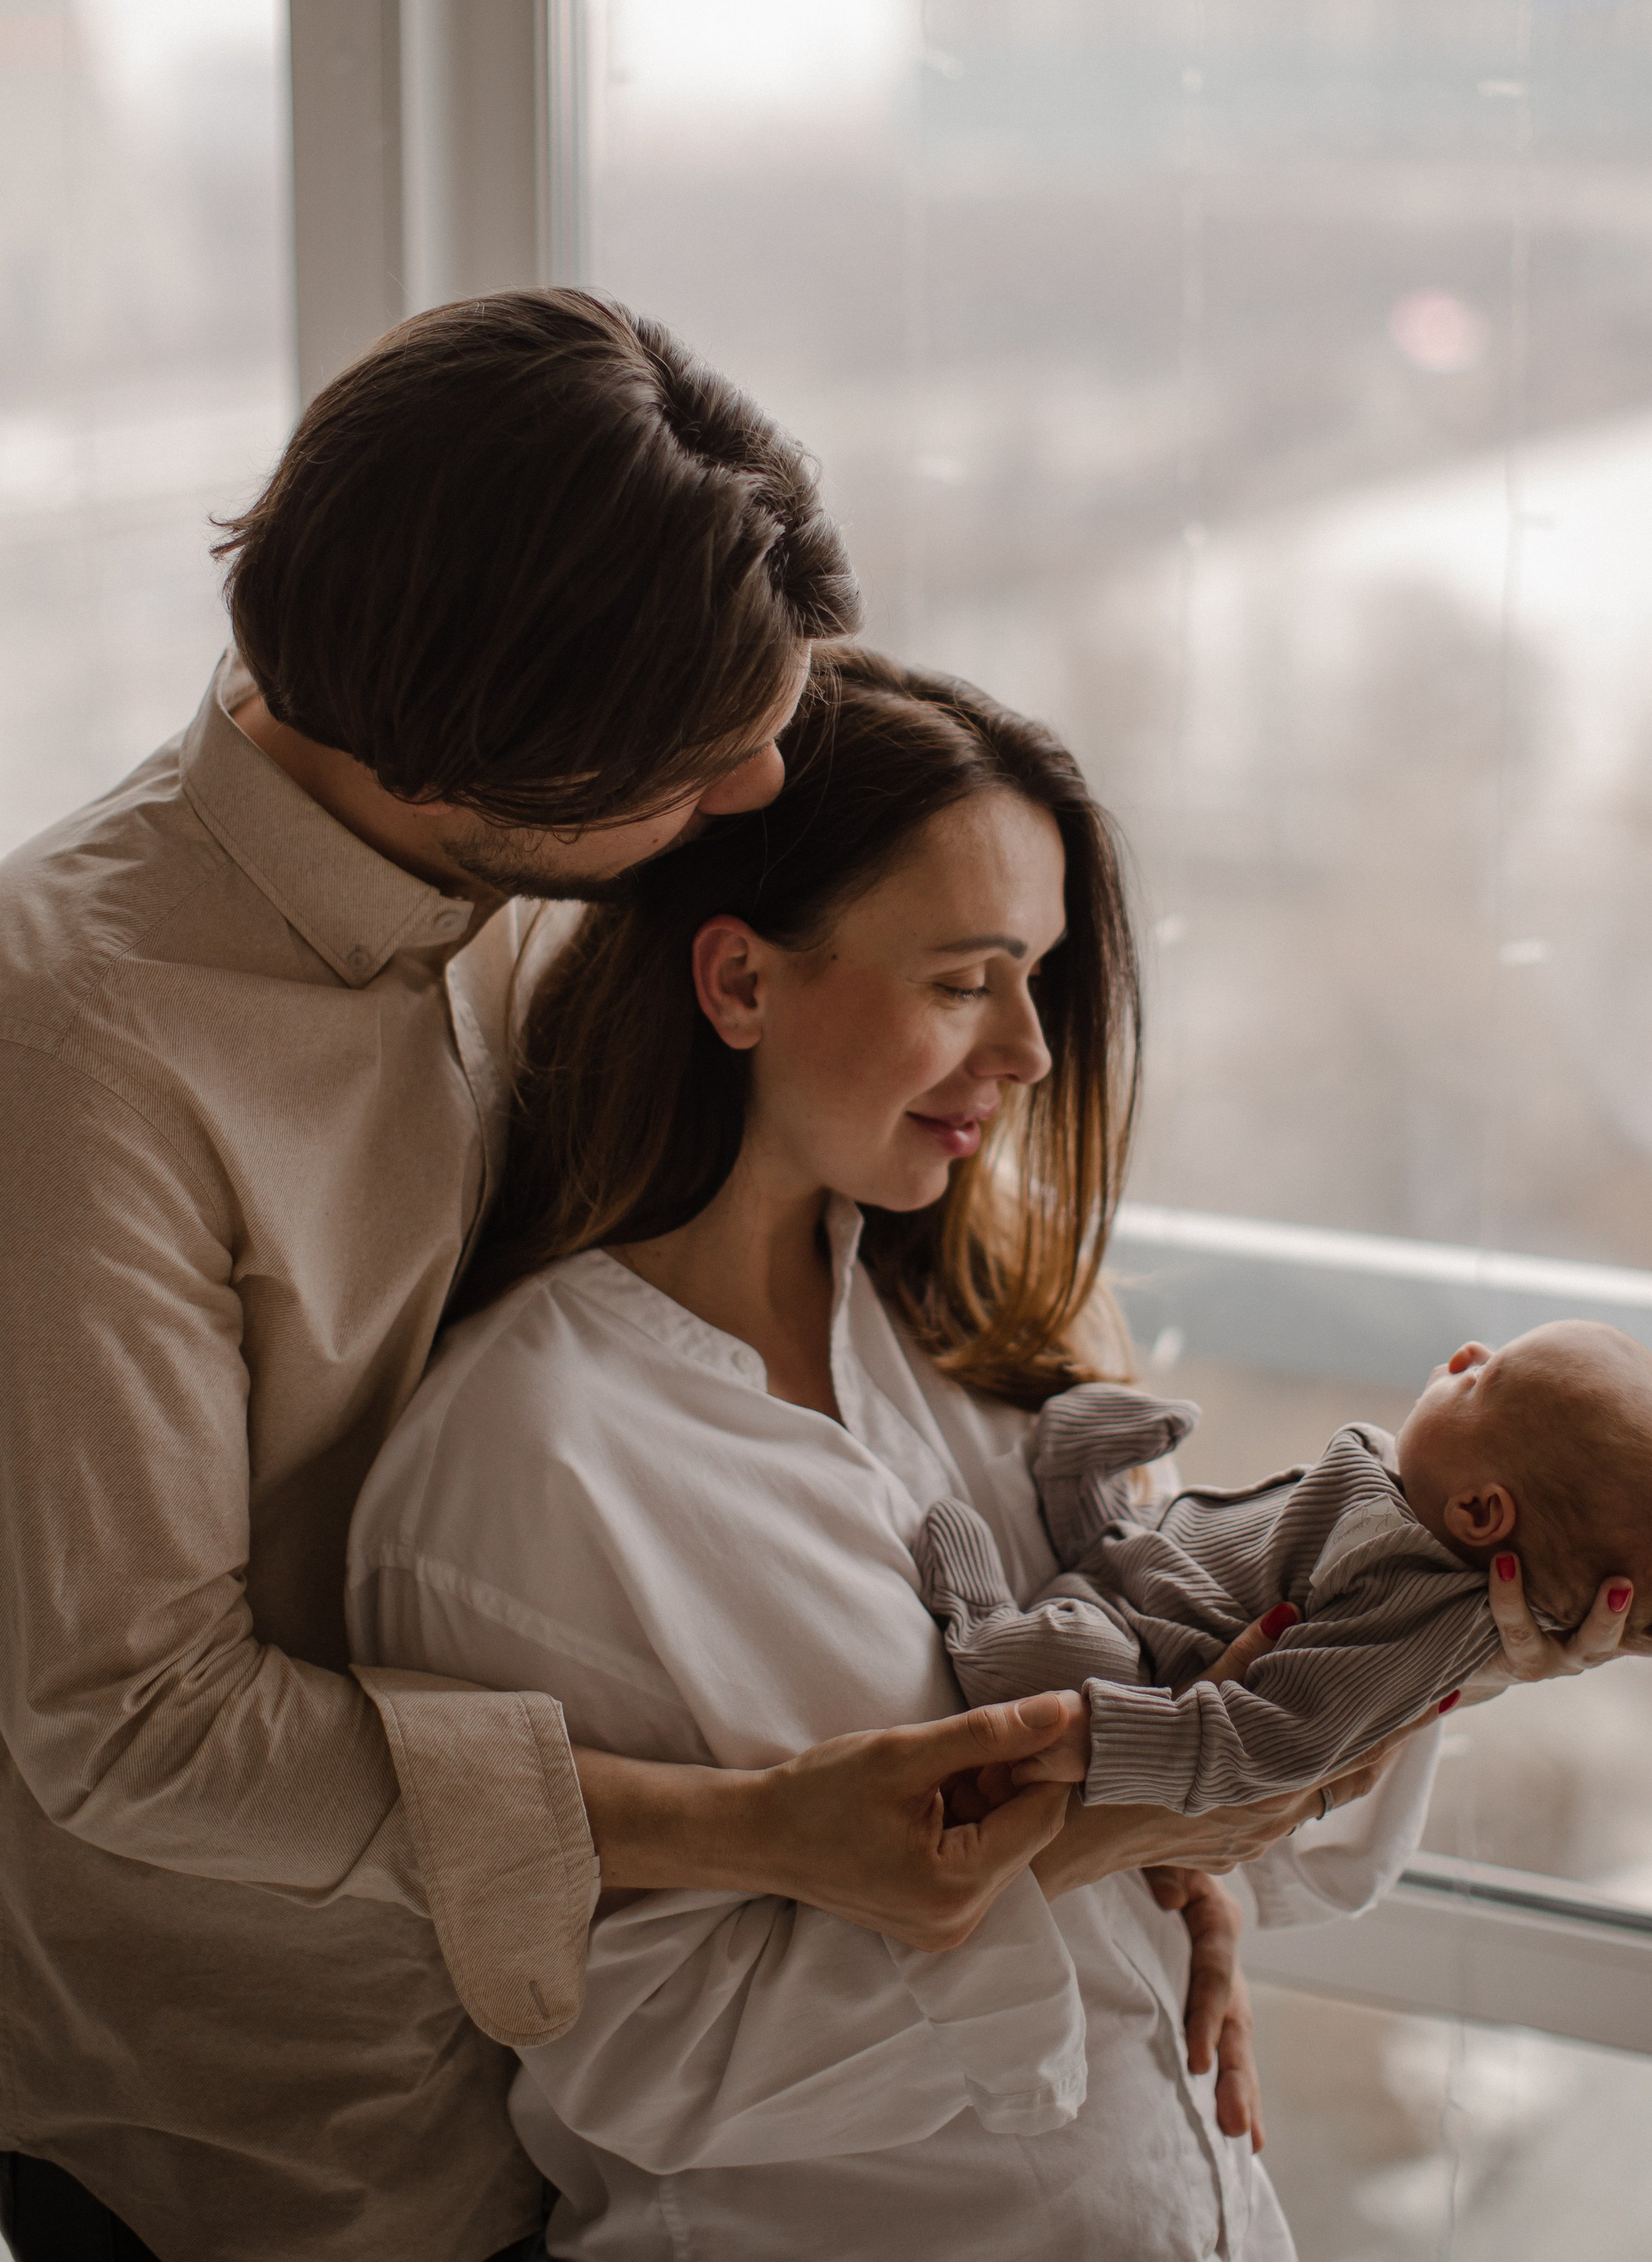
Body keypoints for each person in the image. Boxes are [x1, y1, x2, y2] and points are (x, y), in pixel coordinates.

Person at [0, 296, 1108, 2262]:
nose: (762, 792)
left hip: (643, 2065)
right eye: (701, 768)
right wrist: (745, 1829)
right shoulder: (77, 1046)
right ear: (475, 769)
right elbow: (130, 1724)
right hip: (288, 2142)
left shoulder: (544, 896)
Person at [347, 648, 1527, 2259]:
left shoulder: (976, 1331)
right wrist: (1094, 1840)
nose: (1032, 1050)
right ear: (740, 984)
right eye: (964, 980)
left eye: (1035, 975)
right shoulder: (526, 1466)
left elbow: (1265, 1830)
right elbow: (648, 2066)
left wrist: (1460, 1623)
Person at [919, 1323, 1652, 1809]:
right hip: (1153, 1564)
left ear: (1478, 1512)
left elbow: (1273, 1743)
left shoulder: (1420, 1623)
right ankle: (1080, 1492)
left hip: (1143, 1658)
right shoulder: (1405, 1487)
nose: (1465, 1354)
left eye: (1485, 1379)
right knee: (1122, 1527)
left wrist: (1102, 1741)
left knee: (1062, 1672)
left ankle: (982, 1618)